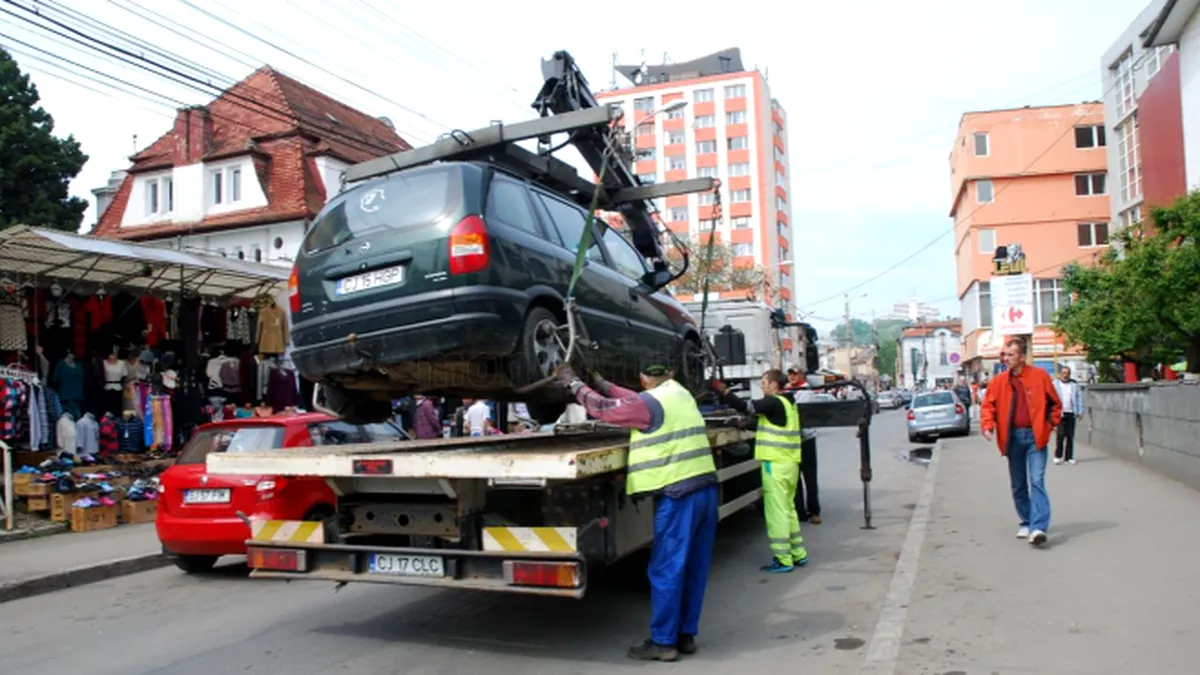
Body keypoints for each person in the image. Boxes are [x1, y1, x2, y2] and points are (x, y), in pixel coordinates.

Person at [557, 363, 719, 662]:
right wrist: (603, 383)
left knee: (666, 569)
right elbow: (631, 399)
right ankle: (685, 636)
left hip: (678, 495)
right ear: (668, 376)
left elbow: (604, 409)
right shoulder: (679, 393)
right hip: (705, 491)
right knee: (694, 567)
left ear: (644, 381)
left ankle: (663, 643)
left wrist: (574, 383)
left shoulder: (646, 405)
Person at [712, 369, 808, 572]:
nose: (762, 386)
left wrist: (723, 391)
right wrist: (743, 424)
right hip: (789, 464)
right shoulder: (788, 403)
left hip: (775, 464)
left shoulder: (773, 402)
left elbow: (746, 407)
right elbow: (766, 424)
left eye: (764, 383)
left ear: (773, 385)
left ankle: (783, 559)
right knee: (788, 509)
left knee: (776, 512)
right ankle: (798, 553)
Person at [980, 338, 1062, 547]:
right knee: (1018, 484)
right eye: (1004, 355)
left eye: (1011, 355)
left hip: (1036, 436)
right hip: (1012, 438)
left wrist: (1049, 425)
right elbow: (988, 406)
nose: (1006, 359)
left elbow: (1055, 404)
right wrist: (988, 426)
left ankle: (1038, 527)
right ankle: (1026, 520)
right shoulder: (999, 382)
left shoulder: (1039, 376)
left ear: (1022, 357)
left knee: (1036, 480)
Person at [1053, 366, 1084, 465]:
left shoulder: (1074, 385)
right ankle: (1058, 456)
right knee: (1060, 434)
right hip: (1060, 413)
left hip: (1071, 412)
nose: (1065, 375)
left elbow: (1079, 398)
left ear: (1069, 374)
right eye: (1063, 373)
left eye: (1067, 373)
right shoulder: (1055, 384)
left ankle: (1069, 457)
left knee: (1070, 436)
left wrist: (1080, 411)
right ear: (1060, 374)